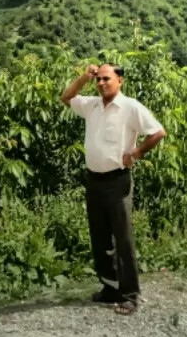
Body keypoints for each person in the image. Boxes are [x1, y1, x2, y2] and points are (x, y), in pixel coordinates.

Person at [60, 63, 166, 316]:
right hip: (93, 179)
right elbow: (66, 97)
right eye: (98, 79)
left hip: (117, 180)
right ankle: (110, 289)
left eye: (106, 79)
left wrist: (137, 153)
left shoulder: (130, 107)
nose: (101, 83)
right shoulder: (92, 105)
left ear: (120, 80)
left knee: (123, 238)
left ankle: (130, 295)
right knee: (100, 237)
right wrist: (84, 76)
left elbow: (158, 132)